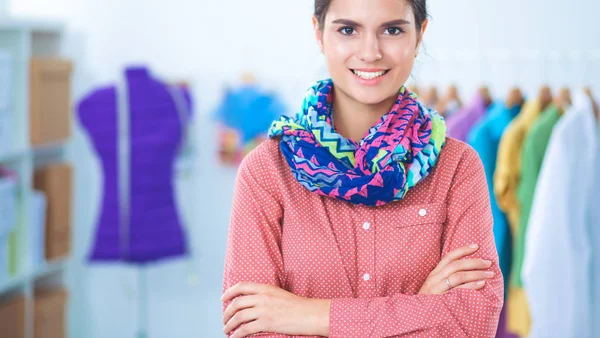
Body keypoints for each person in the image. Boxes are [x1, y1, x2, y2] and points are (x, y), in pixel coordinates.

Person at [221, 0, 504, 337]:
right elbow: (250, 326)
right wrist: (422, 307)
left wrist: (313, 315)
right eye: (348, 29)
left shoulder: (457, 167)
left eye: (393, 30)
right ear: (318, 33)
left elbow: (472, 322)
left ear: (419, 35)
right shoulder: (267, 171)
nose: (370, 53)